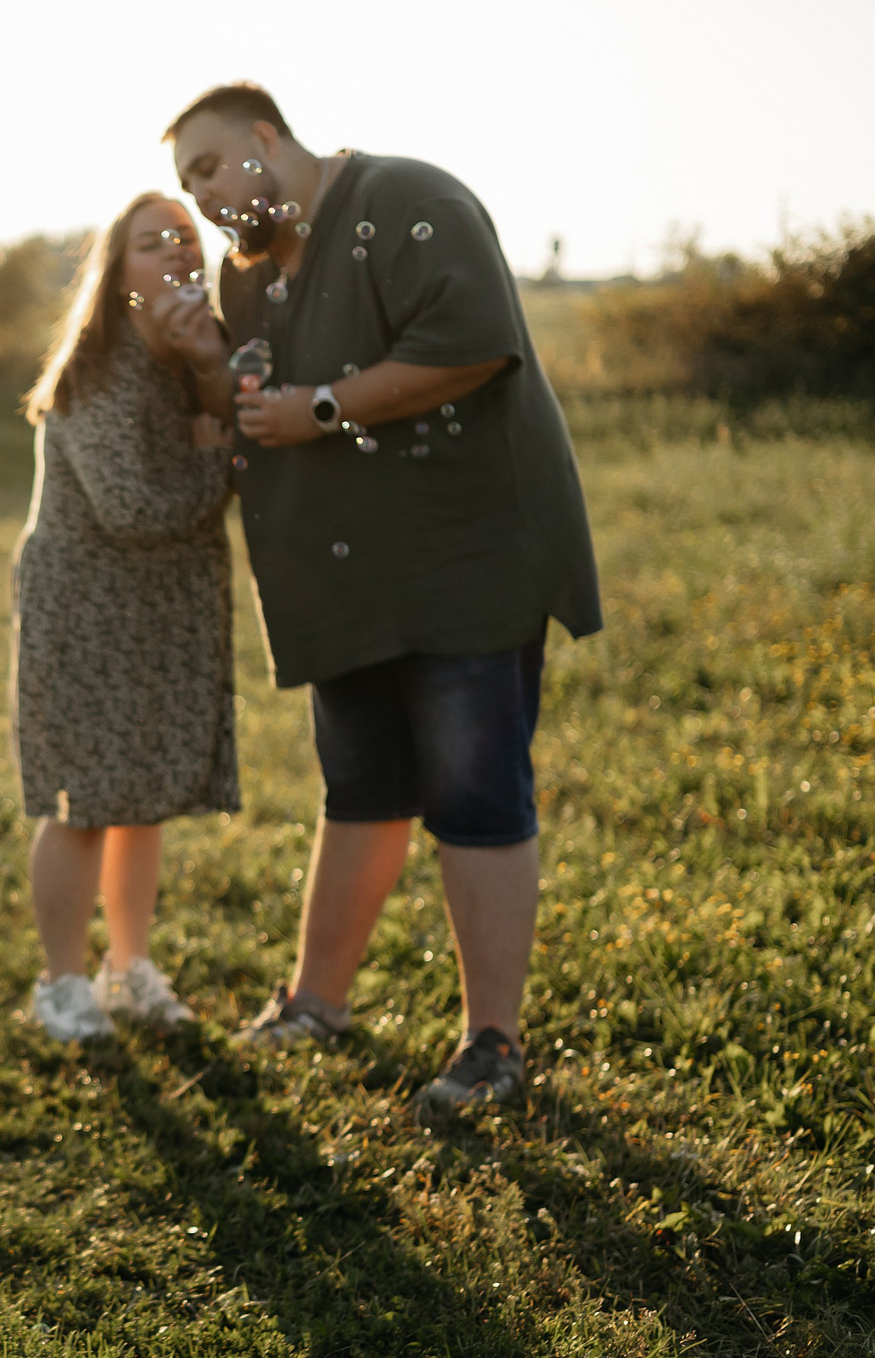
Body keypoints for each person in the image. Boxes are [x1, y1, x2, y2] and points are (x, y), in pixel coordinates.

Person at [162, 83, 603, 1109]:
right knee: (357, 792)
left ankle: (491, 1045)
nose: (206, 197)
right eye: (188, 185)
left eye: (212, 166)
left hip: (462, 560)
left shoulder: (407, 199)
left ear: (266, 138)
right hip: (340, 580)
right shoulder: (251, 278)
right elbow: (246, 403)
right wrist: (203, 364)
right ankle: (317, 1002)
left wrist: (323, 408)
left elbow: (473, 347)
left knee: (475, 798)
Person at [8, 191, 240, 1043]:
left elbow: (236, 419)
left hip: (159, 608)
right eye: (152, 243)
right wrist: (219, 460)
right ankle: (62, 983)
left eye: (186, 237)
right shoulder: (96, 369)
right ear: (117, 275)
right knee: (81, 801)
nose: (178, 251)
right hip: (86, 608)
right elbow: (136, 507)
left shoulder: (186, 358)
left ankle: (128, 967)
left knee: (140, 795)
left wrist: (214, 378)